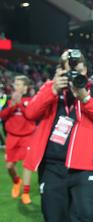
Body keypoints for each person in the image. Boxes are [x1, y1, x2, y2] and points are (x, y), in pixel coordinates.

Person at [23, 49, 93, 221]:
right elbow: (31, 113)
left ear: (85, 71)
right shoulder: (51, 89)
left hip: (84, 166)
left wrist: (85, 98)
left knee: (87, 216)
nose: (73, 76)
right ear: (59, 72)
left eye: (78, 72)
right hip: (52, 168)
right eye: (68, 72)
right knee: (54, 217)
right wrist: (53, 89)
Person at [0, 75, 36, 204]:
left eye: (19, 84)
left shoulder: (32, 100)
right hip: (12, 137)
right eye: (15, 83)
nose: (16, 86)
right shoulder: (8, 100)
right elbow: (2, 116)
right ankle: (16, 181)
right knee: (9, 166)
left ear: (25, 87)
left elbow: (31, 115)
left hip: (27, 136)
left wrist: (19, 104)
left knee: (27, 164)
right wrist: (13, 105)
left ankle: (25, 193)